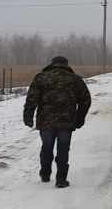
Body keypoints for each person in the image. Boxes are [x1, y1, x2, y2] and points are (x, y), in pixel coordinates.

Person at [23, 55, 91, 188]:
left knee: (46, 147)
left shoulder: (41, 78)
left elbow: (32, 99)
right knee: (63, 149)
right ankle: (61, 179)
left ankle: (45, 173)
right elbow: (85, 101)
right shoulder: (75, 79)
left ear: (52, 64)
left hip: (45, 121)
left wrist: (28, 117)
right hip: (66, 122)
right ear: (66, 65)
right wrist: (79, 118)